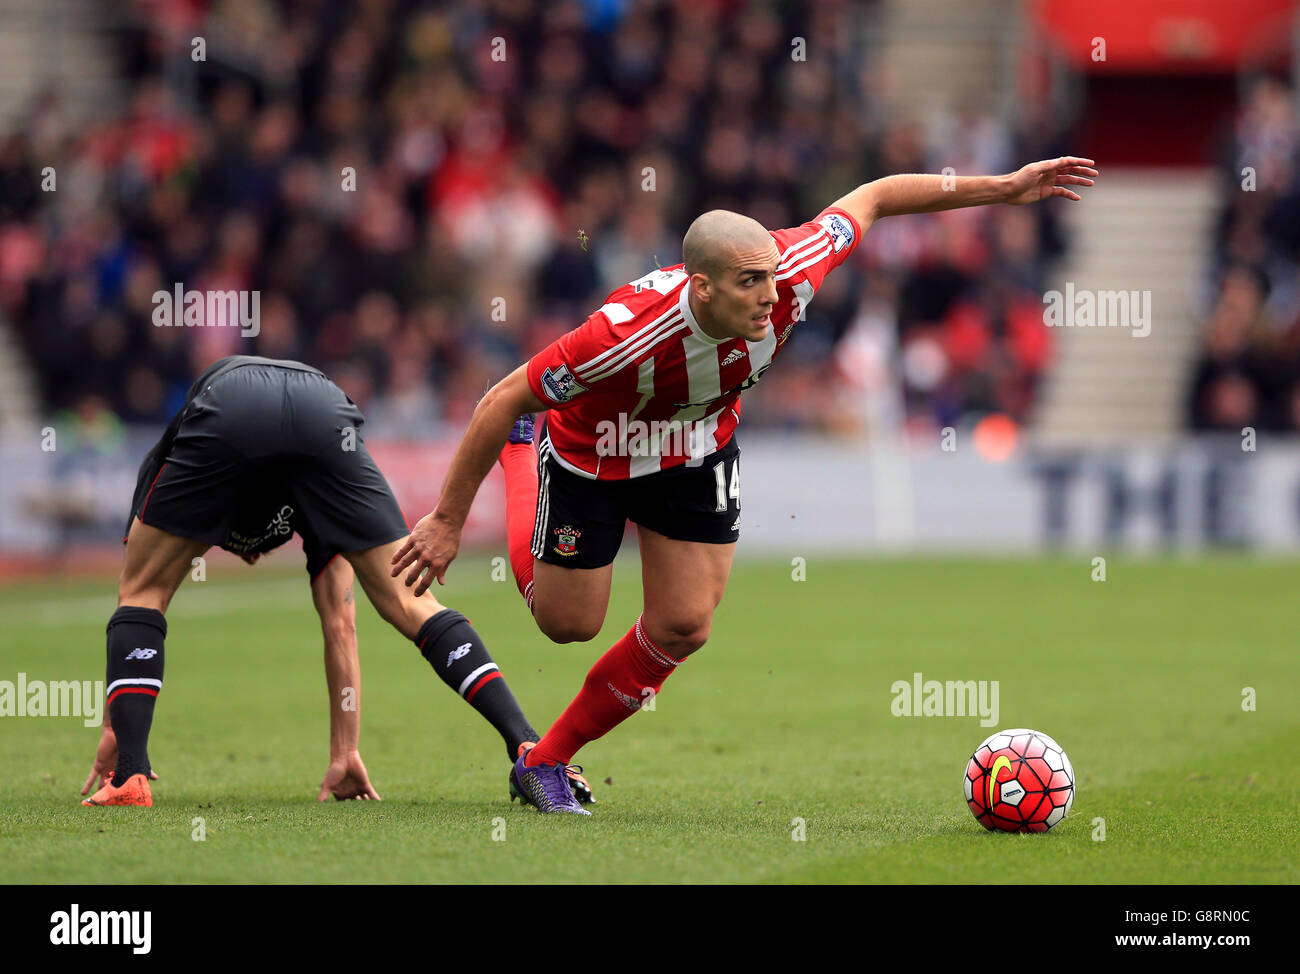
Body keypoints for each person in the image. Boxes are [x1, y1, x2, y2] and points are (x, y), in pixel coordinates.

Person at [391, 158, 1099, 814]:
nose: (771, 296)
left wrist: (1003, 188)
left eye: (769, 276)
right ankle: (526, 459)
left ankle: (545, 762)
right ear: (701, 286)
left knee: (685, 625)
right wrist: (449, 520)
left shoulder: (793, 269)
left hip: (696, 449)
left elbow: (877, 197)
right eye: (749, 283)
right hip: (597, 451)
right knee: (566, 624)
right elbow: (499, 400)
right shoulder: (621, 334)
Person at [81, 354, 591, 806]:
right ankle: (526, 742)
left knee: (143, 592)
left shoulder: (170, 458)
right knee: (412, 603)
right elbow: (340, 624)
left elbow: (136, 600)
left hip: (232, 399)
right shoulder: (314, 505)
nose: (255, 557)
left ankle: (130, 777)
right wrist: (344, 750)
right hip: (323, 410)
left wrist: (115, 728)